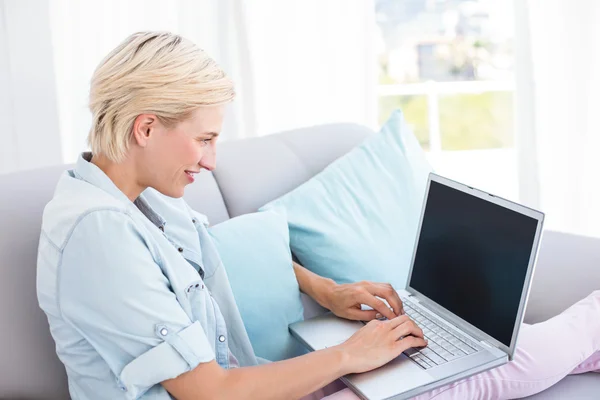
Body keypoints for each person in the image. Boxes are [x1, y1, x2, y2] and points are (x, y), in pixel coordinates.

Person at [36, 31, 599, 400]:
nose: (211, 161)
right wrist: (347, 356)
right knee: (495, 367)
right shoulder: (99, 233)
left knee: (481, 358)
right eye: (204, 139)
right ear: (146, 127)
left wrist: (325, 291)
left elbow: (214, 256)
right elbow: (207, 391)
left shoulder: (133, 197)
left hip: (257, 378)